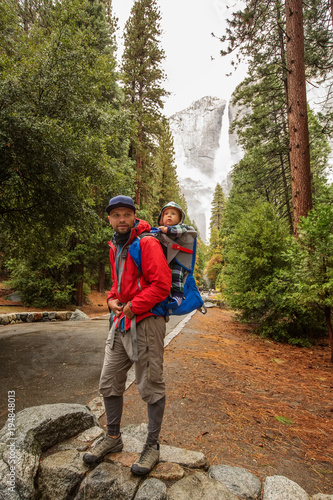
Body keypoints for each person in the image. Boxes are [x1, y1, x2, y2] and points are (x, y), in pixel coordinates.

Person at [83, 195, 172, 475]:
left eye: (126, 214)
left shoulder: (146, 242)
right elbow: (118, 284)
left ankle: (152, 446)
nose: (121, 219)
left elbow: (162, 285)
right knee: (109, 380)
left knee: (150, 383)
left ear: (134, 216)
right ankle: (112, 437)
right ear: (109, 219)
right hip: (122, 321)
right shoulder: (115, 245)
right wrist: (111, 300)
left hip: (145, 322)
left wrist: (133, 307)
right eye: (115, 215)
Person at [158, 201, 196, 306]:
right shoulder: (159, 231)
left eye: (173, 214)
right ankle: (166, 296)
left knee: (176, 274)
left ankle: (178, 295)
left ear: (179, 219)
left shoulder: (182, 228)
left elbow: (179, 230)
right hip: (166, 261)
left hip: (178, 260)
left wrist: (167, 229)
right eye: (166, 214)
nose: (169, 215)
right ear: (161, 219)